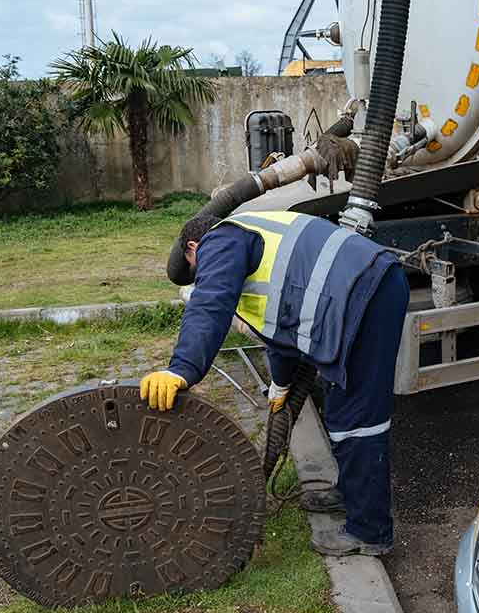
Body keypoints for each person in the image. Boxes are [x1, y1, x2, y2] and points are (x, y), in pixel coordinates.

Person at [140, 211, 410, 557]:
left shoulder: (222, 238)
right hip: (361, 292)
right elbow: (282, 334)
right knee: (341, 408)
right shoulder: (255, 241)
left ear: (194, 247)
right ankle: (351, 494)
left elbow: (211, 303)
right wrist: (280, 385)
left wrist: (181, 369)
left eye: (196, 269)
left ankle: (369, 532)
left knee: (356, 421)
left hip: (367, 294)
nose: (202, 274)